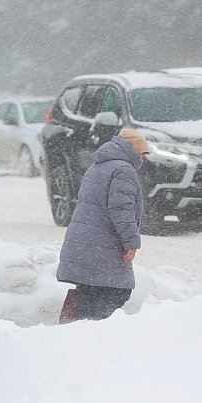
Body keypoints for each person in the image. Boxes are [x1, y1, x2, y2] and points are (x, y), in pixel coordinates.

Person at [56, 128, 149, 321]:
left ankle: (73, 324)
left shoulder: (98, 165)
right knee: (115, 293)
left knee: (90, 289)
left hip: (86, 242)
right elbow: (121, 210)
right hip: (104, 244)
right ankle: (90, 332)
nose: (143, 159)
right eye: (142, 153)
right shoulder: (123, 170)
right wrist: (131, 243)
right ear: (132, 151)